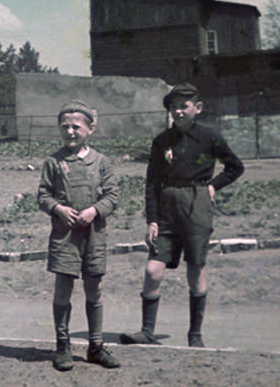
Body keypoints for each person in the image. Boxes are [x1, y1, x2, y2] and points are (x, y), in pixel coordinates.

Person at [120, 83, 244, 348]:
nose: (178, 111)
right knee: (153, 270)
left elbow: (235, 167)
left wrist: (213, 185)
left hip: (196, 206)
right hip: (166, 208)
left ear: (197, 108)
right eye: (173, 106)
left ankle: (195, 335)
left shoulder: (210, 137)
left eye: (184, 106)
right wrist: (151, 220)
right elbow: (152, 182)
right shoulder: (161, 141)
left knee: (195, 269)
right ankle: (147, 331)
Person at [37, 100, 120, 371]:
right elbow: (43, 195)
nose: (70, 131)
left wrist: (95, 210)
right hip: (64, 237)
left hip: (94, 235)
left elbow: (113, 194)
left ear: (90, 129)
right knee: (63, 287)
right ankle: (63, 344)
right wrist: (58, 209)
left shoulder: (101, 162)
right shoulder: (53, 162)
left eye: (76, 126)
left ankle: (95, 346)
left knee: (94, 290)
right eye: (65, 126)